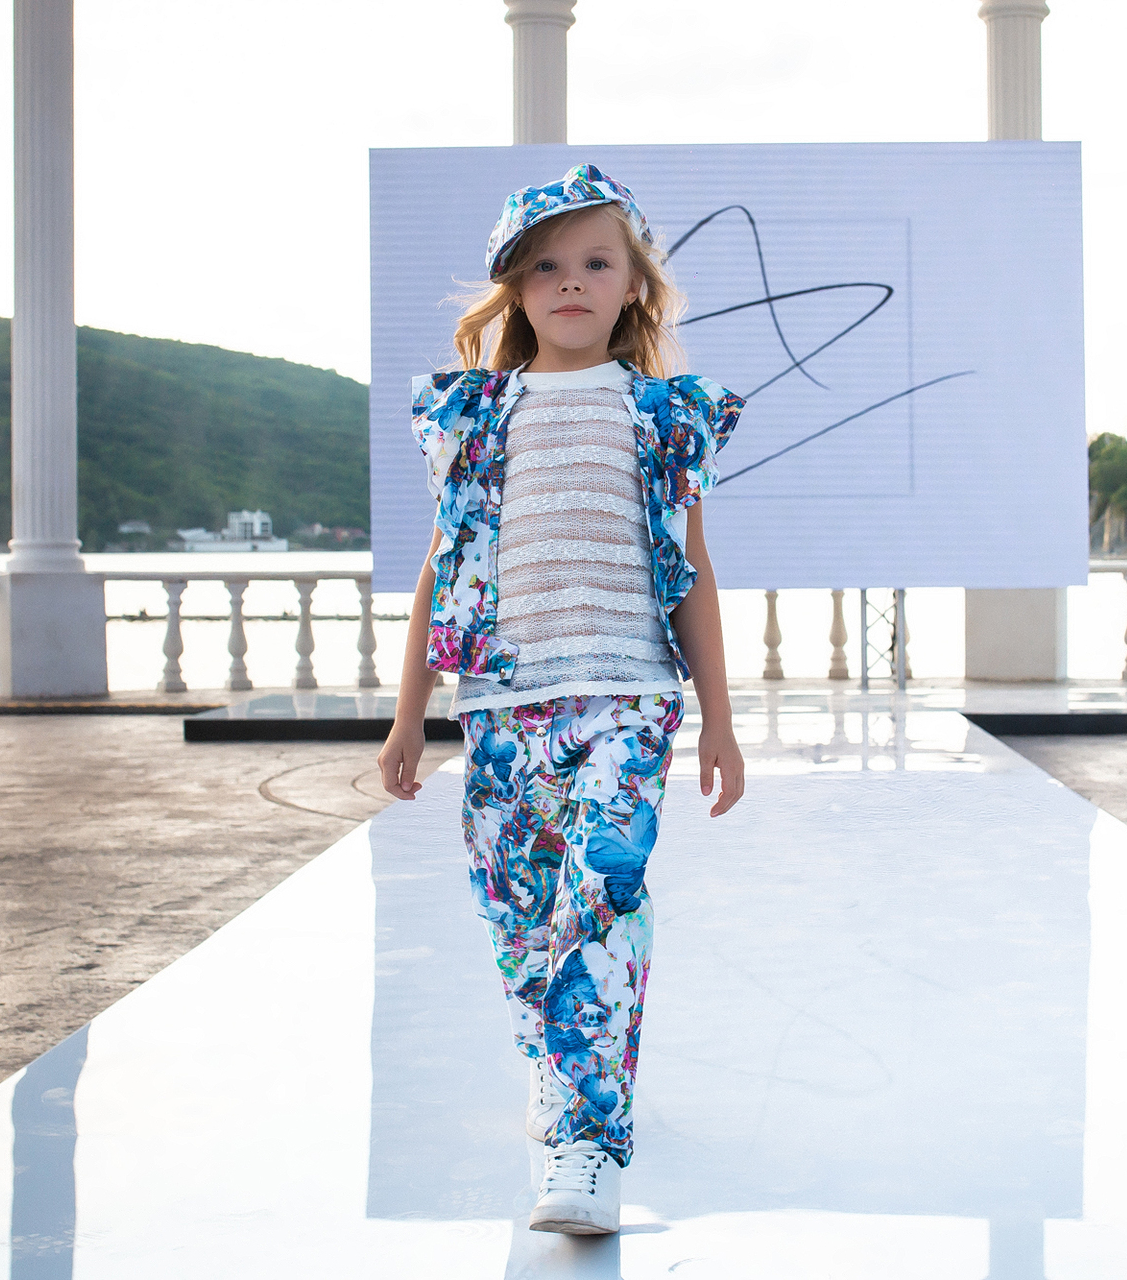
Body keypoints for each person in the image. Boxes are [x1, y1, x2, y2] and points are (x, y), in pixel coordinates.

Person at [378, 164, 746, 1236]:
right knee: (522, 916)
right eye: (546, 267)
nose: (571, 282)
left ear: (633, 284)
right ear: (516, 288)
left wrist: (720, 720)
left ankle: (587, 1145)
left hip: (627, 697)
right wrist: (409, 713)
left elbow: (693, 571)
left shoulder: (661, 414)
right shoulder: (477, 414)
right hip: (502, 708)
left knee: (605, 895)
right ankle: (555, 1059)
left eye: (594, 262)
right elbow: (441, 567)